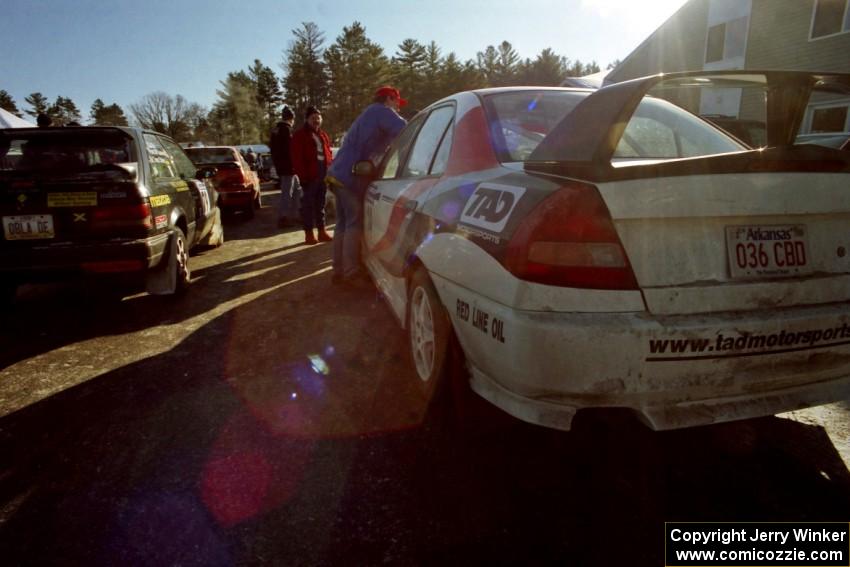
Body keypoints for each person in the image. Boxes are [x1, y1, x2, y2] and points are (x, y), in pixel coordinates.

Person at [326, 86, 407, 284]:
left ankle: (339, 270)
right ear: (388, 99)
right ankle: (351, 273)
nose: (398, 106)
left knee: (343, 224)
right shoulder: (382, 112)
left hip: (338, 174)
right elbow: (407, 130)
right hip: (349, 176)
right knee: (353, 222)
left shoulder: (369, 113)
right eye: (396, 102)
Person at [291, 106, 333, 245]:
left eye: (318, 117)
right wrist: (303, 177)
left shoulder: (323, 135)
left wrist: (330, 172)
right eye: (313, 118)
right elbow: (297, 158)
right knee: (308, 205)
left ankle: (322, 231)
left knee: (320, 204)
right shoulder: (299, 135)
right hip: (309, 175)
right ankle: (309, 234)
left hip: (323, 173)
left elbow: (328, 154)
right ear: (307, 119)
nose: (316, 120)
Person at [269, 105, 300, 228]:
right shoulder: (286, 130)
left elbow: (274, 150)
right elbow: (290, 150)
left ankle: (294, 215)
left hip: (283, 167)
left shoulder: (276, 129)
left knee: (297, 190)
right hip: (289, 167)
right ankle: (284, 217)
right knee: (287, 193)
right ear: (291, 118)